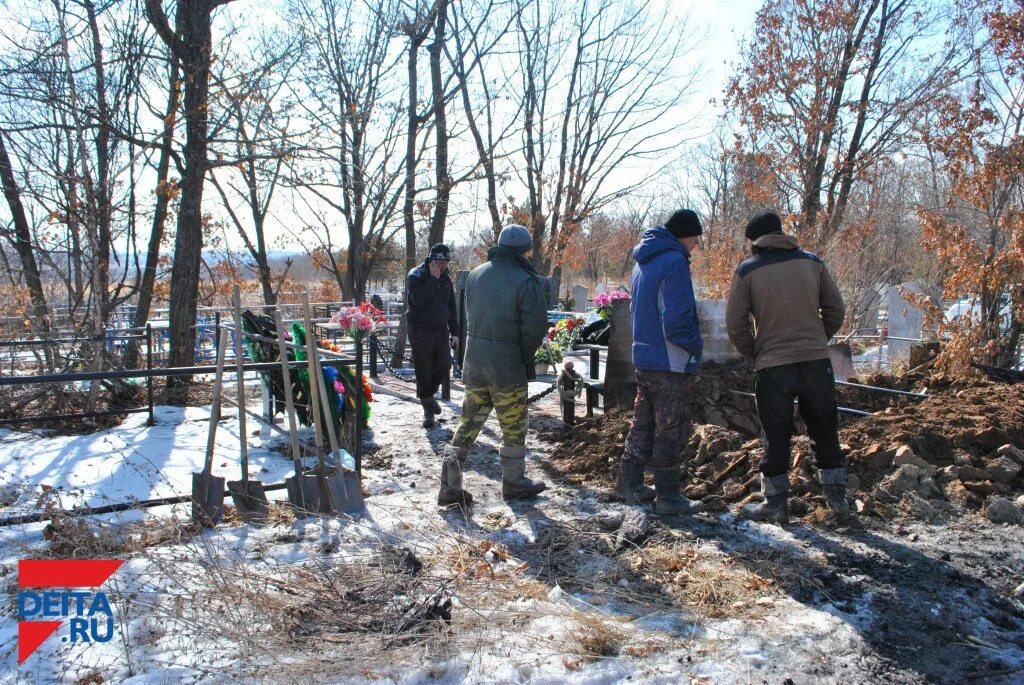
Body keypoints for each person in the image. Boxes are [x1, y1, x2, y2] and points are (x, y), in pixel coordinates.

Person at [725, 211, 849, 524]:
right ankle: (838, 503)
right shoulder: (813, 262)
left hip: (772, 367)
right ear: (781, 233)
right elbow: (836, 308)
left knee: (775, 435)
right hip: (815, 362)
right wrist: (818, 339)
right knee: (825, 430)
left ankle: (775, 504)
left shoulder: (746, 272)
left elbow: (735, 324)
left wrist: (757, 352)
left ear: (755, 241)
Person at [437, 225, 549, 506]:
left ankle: (449, 485)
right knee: (513, 425)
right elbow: (534, 331)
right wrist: (522, 358)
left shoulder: (475, 274)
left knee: (469, 420)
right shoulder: (528, 280)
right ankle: (513, 482)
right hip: (506, 366)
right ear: (525, 250)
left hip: (474, 362)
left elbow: (468, 319)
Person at [617, 209, 706, 516]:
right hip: (671, 358)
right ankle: (669, 497)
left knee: (642, 421)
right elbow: (679, 316)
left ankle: (631, 484)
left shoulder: (643, 262)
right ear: (685, 234)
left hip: (644, 355)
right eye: (696, 238)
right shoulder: (675, 261)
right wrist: (695, 348)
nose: (696, 245)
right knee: (671, 427)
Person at [405, 243, 458, 428]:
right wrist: (433, 279)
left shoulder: (446, 278)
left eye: (446, 263)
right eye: (440, 262)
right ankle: (428, 409)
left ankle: (428, 396)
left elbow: (451, 307)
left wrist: (455, 332)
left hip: (440, 329)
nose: (443, 266)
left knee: (445, 366)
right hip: (420, 330)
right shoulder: (416, 275)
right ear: (432, 261)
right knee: (424, 370)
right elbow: (418, 301)